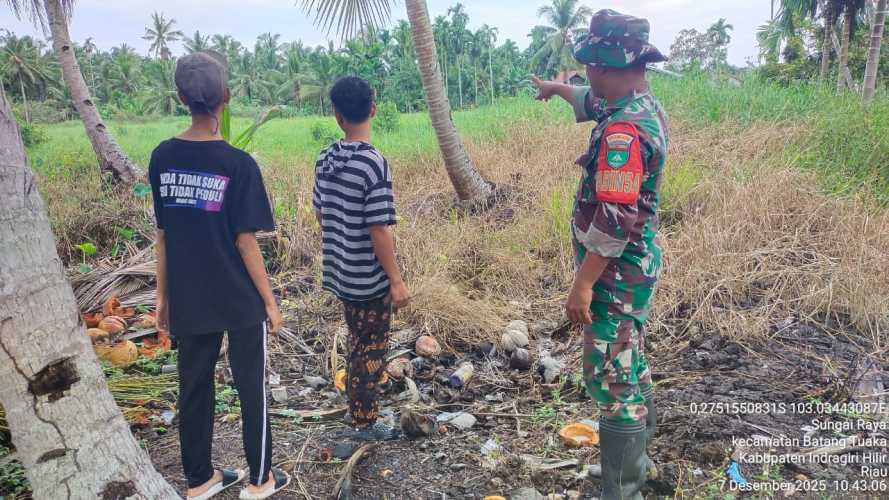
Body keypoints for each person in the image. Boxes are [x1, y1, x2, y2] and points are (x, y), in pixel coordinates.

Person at [531, 9, 669, 500]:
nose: (586, 72)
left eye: (591, 63)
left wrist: (582, 283)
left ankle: (622, 487)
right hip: (636, 266)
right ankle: (634, 465)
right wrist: (555, 88)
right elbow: (585, 100)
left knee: (610, 376)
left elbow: (614, 219)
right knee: (628, 359)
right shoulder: (638, 106)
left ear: (607, 66)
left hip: (614, 271)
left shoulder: (622, 133)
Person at [149, 50, 290, 500]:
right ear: (226, 97)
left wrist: (162, 297)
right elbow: (245, 242)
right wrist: (269, 301)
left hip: (189, 296)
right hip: (237, 295)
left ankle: (200, 480)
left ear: (179, 98)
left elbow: (165, 236)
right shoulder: (238, 165)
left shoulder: (161, 158)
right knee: (251, 385)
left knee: (193, 386)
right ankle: (260, 480)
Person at [312, 76, 411, 441]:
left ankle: (357, 407)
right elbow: (379, 229)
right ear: (373, 108)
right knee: (371, 350)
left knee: (357, 340)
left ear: (337, 115)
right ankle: (365, 423)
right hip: (368, 278)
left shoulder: (325, 158)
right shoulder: (372, 163)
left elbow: (321, 213)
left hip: (341, 272)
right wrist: (396, 280)